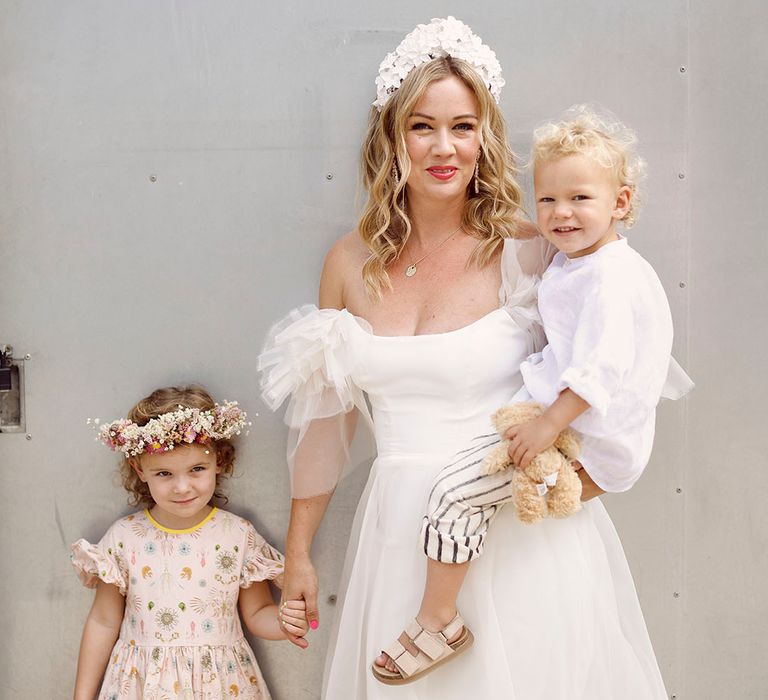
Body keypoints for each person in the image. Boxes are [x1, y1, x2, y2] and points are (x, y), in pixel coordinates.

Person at [259, 16, 668, 699]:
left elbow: (619, 354)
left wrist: (592, 476)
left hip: (519, 533)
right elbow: (326, 424)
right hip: (400, 540)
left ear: (486, 136)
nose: (443, 147)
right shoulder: (348, 263)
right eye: (422, 126)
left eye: (463, 126)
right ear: (392, 137)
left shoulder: (533, 247)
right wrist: (298, 551)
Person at [374, 106, 692, 685]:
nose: (560, 214)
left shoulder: (609, 279)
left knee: (452, 493)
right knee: (481, 495)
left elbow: (599, 371)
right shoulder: (581, 264)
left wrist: (547, 427)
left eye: (579, 199)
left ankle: (437, 620)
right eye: (546, 200)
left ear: (620, 203)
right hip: (560, 418)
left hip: (577, 431)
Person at [71, 386, 307, 700]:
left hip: (221, 685)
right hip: (142, 685)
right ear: (140, 470)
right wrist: (82, 696)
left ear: (219, 461)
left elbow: (257, 612)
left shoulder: (237, 535)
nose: (182, 487)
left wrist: (284, 622)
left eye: (197, 469)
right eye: (164, 473)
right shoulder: (124, 538)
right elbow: (103, 621)